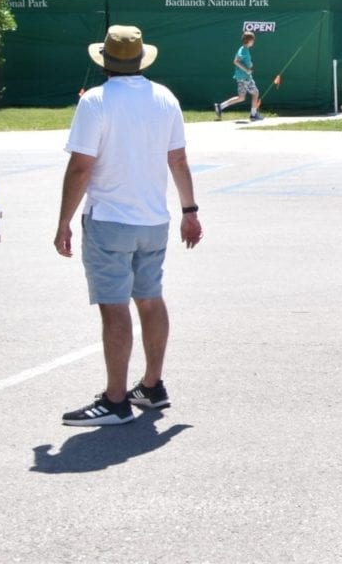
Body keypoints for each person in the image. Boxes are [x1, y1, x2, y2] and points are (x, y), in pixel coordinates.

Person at [55, 26, 202, 427]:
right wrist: (190, 210)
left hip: (109, 220)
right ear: (140, 59)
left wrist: (64, 220)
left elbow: (82, 166)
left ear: (104, 61)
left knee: (114, 308)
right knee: (150, 299)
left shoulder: (96, 102)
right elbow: (179, 161)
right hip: (154, 220)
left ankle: (116, 400)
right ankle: (151, 386)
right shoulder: (165, 98)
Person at [214, 30, 262, 122]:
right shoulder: (243, 50)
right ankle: (253, 114)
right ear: (249, 40)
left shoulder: (245, 49)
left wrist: (249, 64)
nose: (253, 42)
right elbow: (236, 61)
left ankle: (220, 106)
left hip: (241, 77)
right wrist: (247, 69)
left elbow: (242, 61)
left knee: (241, 97)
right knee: (255, 93)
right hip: (245, 77)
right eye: (253, 40)